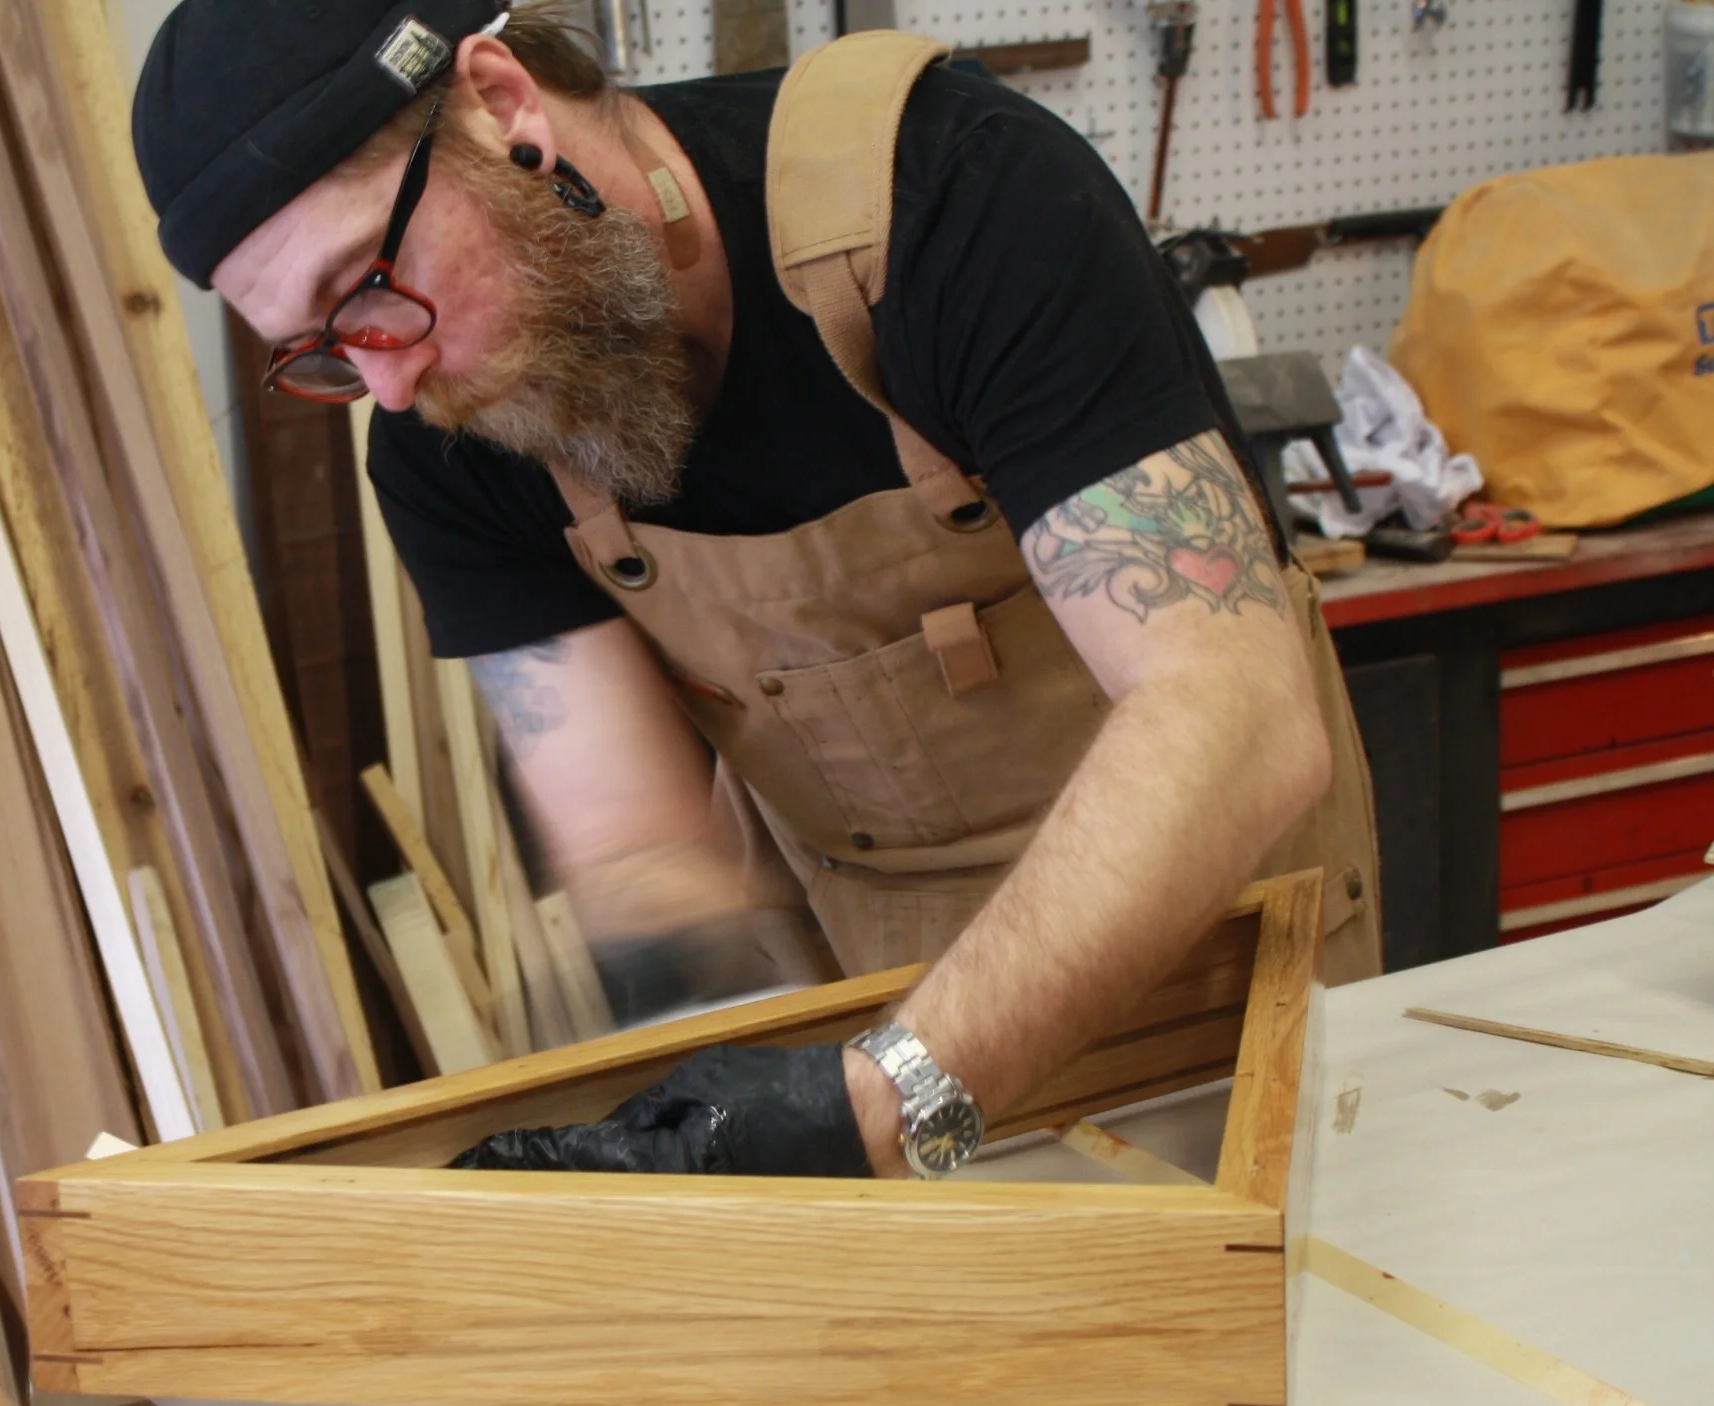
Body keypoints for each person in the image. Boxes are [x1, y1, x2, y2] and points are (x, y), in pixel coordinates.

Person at [130, 0, 1379, 1179]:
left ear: (501, 103)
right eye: (322, 345)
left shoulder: (959, 196)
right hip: (890, 996)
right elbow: (637, 847)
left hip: (1231, 956)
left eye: (365, 286)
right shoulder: (459, 436)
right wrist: (709, 1126)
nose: (388, 381)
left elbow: (1228, 709)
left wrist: (887, 1093)